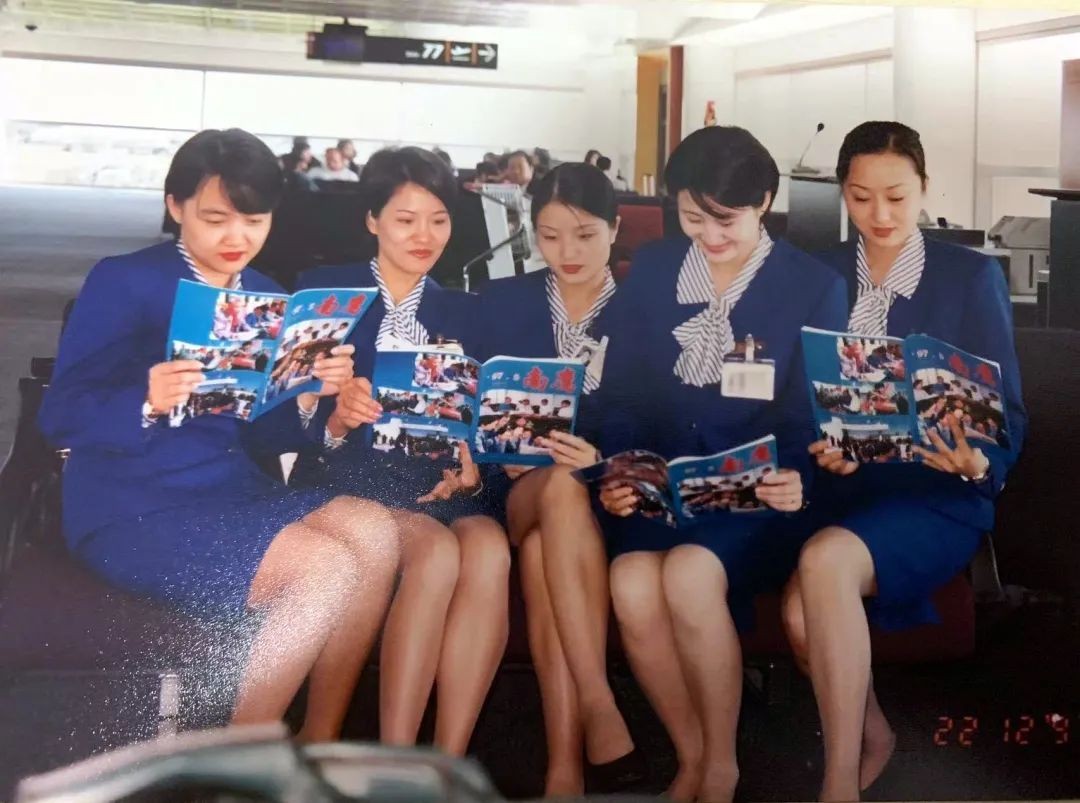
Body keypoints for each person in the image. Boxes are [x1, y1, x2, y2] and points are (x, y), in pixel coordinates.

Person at [38, 128, 399, 741]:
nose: (237, 238)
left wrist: (311, 395)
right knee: (325, 568)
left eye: (255, 221)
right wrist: (144, 399)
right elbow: (59, 415)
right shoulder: (125, 280)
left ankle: (317, 742)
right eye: (215, 219)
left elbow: (267, 436)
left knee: (376, 531)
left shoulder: (268, 297)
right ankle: (241, 760)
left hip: (230, 490)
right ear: (175, 206)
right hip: (132, 505)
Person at [597, 126, 848, 802]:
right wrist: (621, 468)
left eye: (725, 220)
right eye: (692, 217)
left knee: (687, 573)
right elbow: (621, 395)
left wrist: (797, 475)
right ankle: (692, 756)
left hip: (760, 501)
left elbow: (812, 416)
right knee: (629, 581)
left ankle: (722, 767)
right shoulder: (654, 271)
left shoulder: (811, 287)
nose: (708, 236)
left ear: (763, 202)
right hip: (666, 492)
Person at [780, 121, 1027, 802]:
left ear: (924, 188)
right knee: (800, 619)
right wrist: (821, 447)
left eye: (896, 197)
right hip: (843, 491)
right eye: (861, 198)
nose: (880, 215)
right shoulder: (819, 273)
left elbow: (1007, 410)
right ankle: (876, 734)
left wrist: (976, 461)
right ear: (842, 193)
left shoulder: (970, 276)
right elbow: (795, 399)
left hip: (935, 494)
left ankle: (838, 786)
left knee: (825, 563)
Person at [288, 146, 510, 756]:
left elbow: (483, 427)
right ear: (372, 220)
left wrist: (472, 473)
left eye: (438, 220)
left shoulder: (468, 312)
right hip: (350, 481)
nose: (424, 236)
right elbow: (281, 422)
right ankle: (398, 755)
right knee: (437, 552)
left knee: (489, 547)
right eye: (406, 219)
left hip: (437, 486)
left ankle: (448, 759)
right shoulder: (324, 294)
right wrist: (336, 417)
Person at [472, 163, 642, 796]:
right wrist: (499, 449)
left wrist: (600, 455)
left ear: (615, 230)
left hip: (605, 499)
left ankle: (563, 769)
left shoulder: (642, 314)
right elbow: (469, 406)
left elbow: (654, 419)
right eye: (549, 236)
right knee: (556, 493)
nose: (567, 251)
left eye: (585, 235)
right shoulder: (503, 302)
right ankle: (599, 701)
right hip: (516, 491)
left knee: (551, 543)